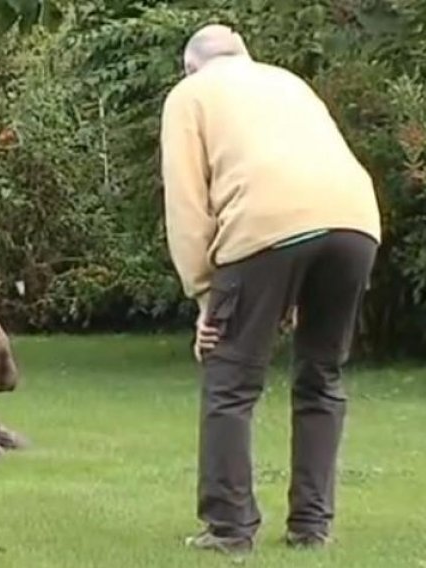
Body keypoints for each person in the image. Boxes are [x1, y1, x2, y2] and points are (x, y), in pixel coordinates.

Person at [159, 24, 381, 554]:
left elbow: (188, 204)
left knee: (230, 379)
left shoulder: (190, 95)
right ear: (244, 55)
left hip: (263, 223)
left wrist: (205, 296)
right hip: (355, 222)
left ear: (191, 67)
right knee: (321, 376)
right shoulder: (286, 82)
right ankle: (312, 526)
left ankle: (230, 530)